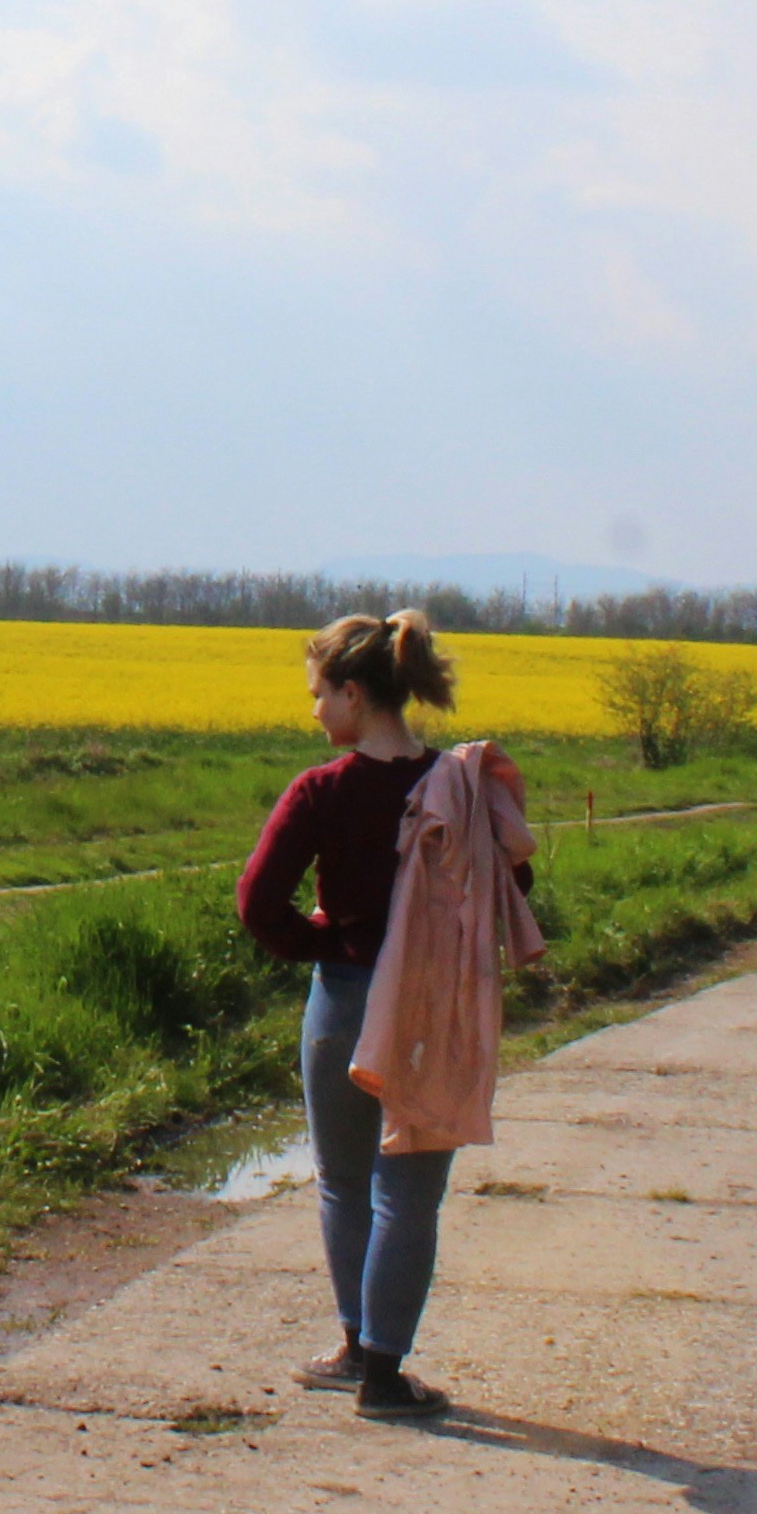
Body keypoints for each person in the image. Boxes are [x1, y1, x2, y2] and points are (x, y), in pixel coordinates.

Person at [233, 607, 532, 1420]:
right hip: (431, 1011)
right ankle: (383, 1375)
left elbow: (259, 902)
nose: (315, 710)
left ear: (357, 694)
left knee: (343, 1182)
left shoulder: (322, 790)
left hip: (342, 1002)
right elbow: (512, 887)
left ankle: (356, 1345)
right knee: (407, 1197)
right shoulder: (458, 785)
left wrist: (321, 942)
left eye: (319, 694)